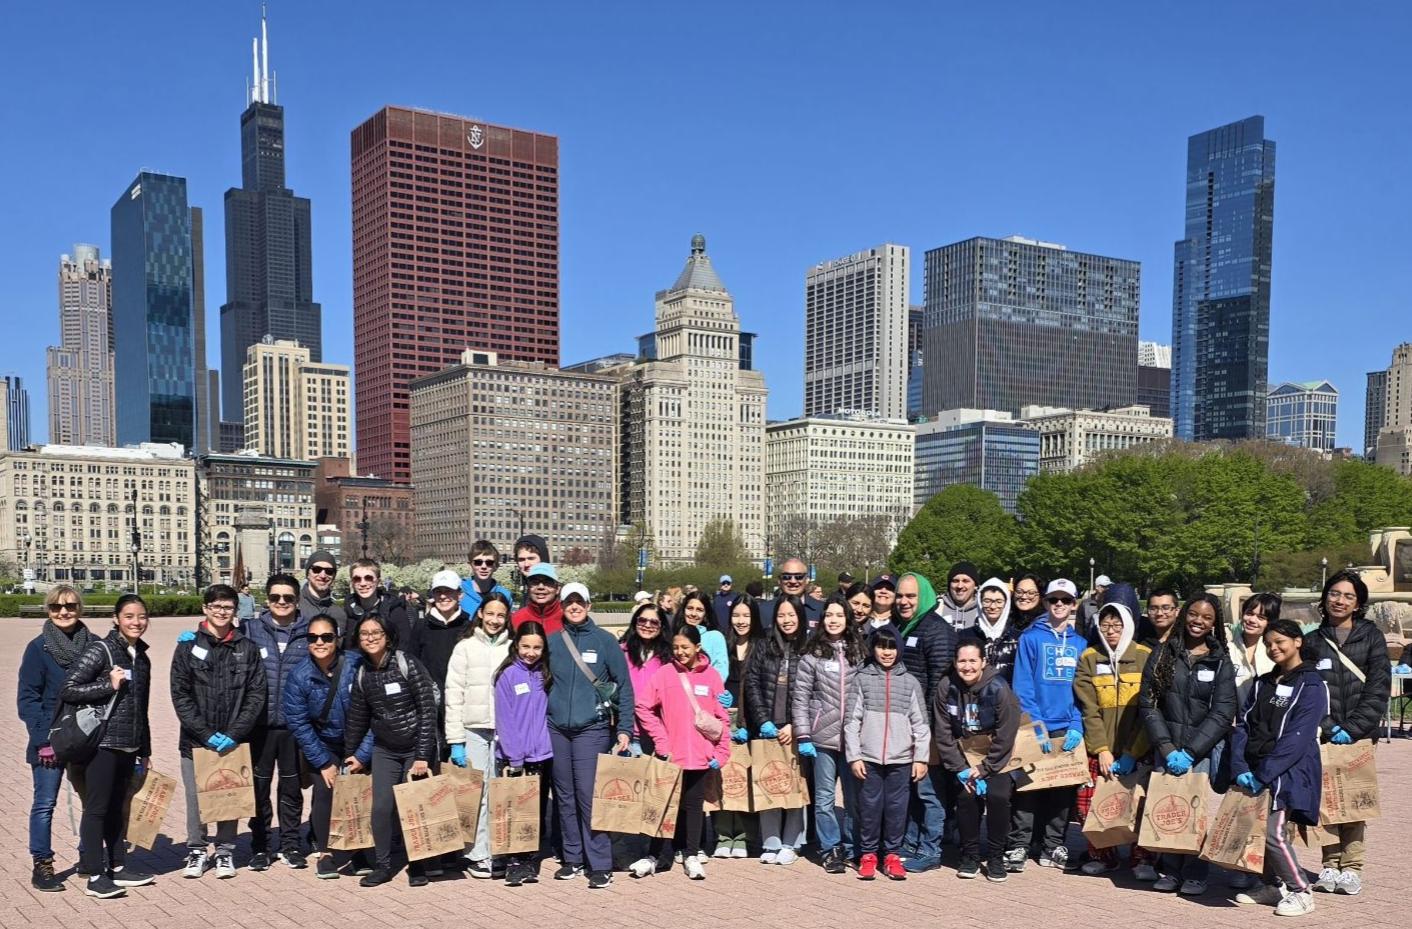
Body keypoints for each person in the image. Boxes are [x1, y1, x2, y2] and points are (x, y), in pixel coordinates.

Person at [1230, 619, 1328, 917]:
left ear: (1298, 641)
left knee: (1274, 833)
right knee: (1256, 830)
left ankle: (1300, 891)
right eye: (1268, 643)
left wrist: (1264, 774)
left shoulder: (1312, 685)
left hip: (1288, 773)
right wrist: (1239, 766)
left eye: (1280, 642)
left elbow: (1297, 739)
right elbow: (1242, 726)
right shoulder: (1263, 683)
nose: (1273, 648)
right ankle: (1270, 885)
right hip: (1256, 767)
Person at [1139, 593, 1237, 893]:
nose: (1199, 622)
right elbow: (1149, 703)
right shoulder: (1164, 653)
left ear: (1215, 623)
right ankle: (1169, 871)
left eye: (1207, 618)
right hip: (1166, 747)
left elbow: (1223, 711)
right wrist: (1166, 748)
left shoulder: (1220, 661)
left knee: (1195, 811)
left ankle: (1196, 873)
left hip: (1200, 751)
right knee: (1168, 807)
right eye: (1194, 614)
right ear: (1185, 615)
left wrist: (1192, 751)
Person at [171, 584, 268, 880]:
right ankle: (197, 849)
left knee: (228, 794)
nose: (221, 612)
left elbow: (256, 694)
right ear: (205, 608)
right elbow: (180, 694)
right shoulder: (187, 646)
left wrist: (236, 733)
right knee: (196, 798)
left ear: (235, 612)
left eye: (227, 608)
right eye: (216, 607)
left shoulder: (246, 648)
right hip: (195, 739)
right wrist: (203, 732)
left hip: (233, 740)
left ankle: (225, 850)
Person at [61, 594, 155, 899]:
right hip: (102, 742)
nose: (136, 622)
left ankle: (117, 865)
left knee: (117, 807)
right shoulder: (100, 650)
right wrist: (107, 685)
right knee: (97, 808)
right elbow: (69, 689)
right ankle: (94, 873)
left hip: (129, 743)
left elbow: (142, 707)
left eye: (141, 616)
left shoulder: (141, 657)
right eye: (129, 616)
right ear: (116, 619)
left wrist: (145, 749)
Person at [1305, 570, 1389, 896]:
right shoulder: (1312, 641)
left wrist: (1352, 728)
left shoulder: (1372, 637)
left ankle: (1352, 867)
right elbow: (1309, 689)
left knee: (1354, 802)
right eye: (1335, 594)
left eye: (1348, 596)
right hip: (1324, 735)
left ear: (1358, 603)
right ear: (1325, 598)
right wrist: (1326, 727)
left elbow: (1378, 688)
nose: (1340, 600)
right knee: (1328, 802)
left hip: (1360, 734)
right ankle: (1329, 863)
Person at [545, 582, 635, 888]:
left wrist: (624, 727)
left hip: (592, 728)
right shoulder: (553, 642)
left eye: (579, 601)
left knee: (588, 796)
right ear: (562, 605)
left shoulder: (605, 641)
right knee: (564, 796)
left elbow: (624, 686)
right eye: (568, 601)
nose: (574, 606)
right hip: (557, 728)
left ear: (588, 605)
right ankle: (573, 858)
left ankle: (599, 862)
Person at [343, 612, 441, 887]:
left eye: (377, 633)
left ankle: (418, 864)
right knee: (382, 807)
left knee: (414, 807)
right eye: (365, 634)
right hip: (385, 748)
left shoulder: (407, 663)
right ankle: (384, 865)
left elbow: (427, 709)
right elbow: (358, 716)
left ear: (388, 637)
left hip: (414, 748)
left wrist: (422, 756)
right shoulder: (363, 672)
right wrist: (351, 753)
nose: (371, 638)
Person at [631, 624, 733, 880]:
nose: (680, 652)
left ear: (698, 647)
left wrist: (721, 753)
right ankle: (651, 856)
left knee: (694, 806)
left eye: (685, 647)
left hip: (700, 756)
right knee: (662, 806)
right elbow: (643, 707)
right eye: (675, 647)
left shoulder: (711, 677)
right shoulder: (665, 674)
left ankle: (691, 854)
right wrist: (660, 739)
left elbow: (722, 720)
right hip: (671, 756)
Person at [284, 614, 373, 879]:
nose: (319, 642)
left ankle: (359, 850)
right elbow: (298, 723)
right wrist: (323, 762)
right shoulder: (300, 675)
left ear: (337, 638)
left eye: (326, 637)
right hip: (323, 743)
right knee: (324, 792)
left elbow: (377, 711)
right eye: (313, 638)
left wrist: (362, 754)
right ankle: (325, 853)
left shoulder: (357, 664)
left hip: (358, 742)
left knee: (360, 794)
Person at [1006, 578, 1085, 872]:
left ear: (1074, 604)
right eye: (1054, 600)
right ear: (1046, 603)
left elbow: (1082, 690)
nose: (1060, 605)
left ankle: (1053, 845)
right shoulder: (1031, 638)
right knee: (1028, 788)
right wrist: (1036, 724)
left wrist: (1077, 724)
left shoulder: (1081, 644)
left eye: (1066, 600)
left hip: (1067, 727)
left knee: (1062, 791)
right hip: (1036, 725)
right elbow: (1023, 685)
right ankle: (1019, 845)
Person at [17, 585, 92, 891]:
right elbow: (28, 699)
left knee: (93, 802)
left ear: (79, 608)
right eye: (56, 607)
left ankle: (90, 857)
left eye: (71, 606)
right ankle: (42, 863)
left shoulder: (95, 645)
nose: (64, 612)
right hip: (49, 737)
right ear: (48, 610)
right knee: (45, 803)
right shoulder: (38, 648)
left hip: (85, 736)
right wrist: (41, 740)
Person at [846, 628, 931, 882]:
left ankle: (892, 855)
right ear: (873, 649)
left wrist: (920, 757)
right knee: (870, 807)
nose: (886, 652)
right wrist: (854, 756)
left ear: (899, 650)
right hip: (868, 758)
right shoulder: (862, 679)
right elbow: (852, 721)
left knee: (896, 808)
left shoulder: (910, 682)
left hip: (901, 759)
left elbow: (921, 724)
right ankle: (869, 854)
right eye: (881, 646)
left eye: (892, 647)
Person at [1073, 602, 1152, 875]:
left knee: (1138, 804)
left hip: (1136, 749)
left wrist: (1133, 751)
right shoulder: (1089, 658)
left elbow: (1149, 711)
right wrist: (1102, 749)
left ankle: (1141, 858)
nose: (1111, 631)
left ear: (1128, 626)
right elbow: (1089, 708)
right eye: (1105, 625)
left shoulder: (1145, 656)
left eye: (1117, 625)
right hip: (1102, 748)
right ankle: (1102, 854)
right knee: (1089, 804)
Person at [933, 640, 1020, 883]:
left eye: (973, 661)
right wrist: (960, 768)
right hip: (962, 756)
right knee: (966, 797)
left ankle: (995, 856)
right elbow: (943, 732)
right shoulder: (945, 687)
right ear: (954, 663)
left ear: (983, 662)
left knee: (998, 797)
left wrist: (985, 768)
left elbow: (1007, 734)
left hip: (995, 758)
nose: (967, 666)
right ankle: (969, 855)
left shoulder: (1000, 689)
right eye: (962, 661)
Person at [792, 595, 867, 873]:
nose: (833, 620)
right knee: (824, 797)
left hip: (852, 739)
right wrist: (804, 735)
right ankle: (830, 848)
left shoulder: (858, 652)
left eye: (839, 615)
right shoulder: (812, 655)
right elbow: (800, 698)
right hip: (822, 738)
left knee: (852, 798)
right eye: (829, 615)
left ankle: (851, 846)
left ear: (848, 619)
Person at [244, 572, 312, 870]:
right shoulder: (251, 629)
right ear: (267, 600)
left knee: (291, 788)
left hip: (294, 725)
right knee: (258, 788)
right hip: (259, 724)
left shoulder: (310, 632)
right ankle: (260, 845)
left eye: (288, 598)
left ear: (297, 600)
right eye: (275, 597)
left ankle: (290, 844)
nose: (281, 602)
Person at [443, 591, 514, 878]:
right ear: (481, 614)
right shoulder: (465, 647)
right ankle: (478, 853)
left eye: (501, 615)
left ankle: (500, 850)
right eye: (491, 613)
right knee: (478, 792)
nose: (495, 620)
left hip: (504, 730)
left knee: (500, 791)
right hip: (473, 729)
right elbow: (454, 694)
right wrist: (455, 740)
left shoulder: (513, 647)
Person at [893, 572, 957, 873]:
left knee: (930, 792)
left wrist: (929, 734)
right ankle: (911, 841)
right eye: (901, 595)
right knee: (912, 788)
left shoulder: (937, 630)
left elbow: (940, 686)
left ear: (925, 598)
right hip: (903, 726)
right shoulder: (902, 626)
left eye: (911, 596)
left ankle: (931, 849)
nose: (904, 601)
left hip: (927, 728)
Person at [746, 595, 809, 863]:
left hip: (796, 727)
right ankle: (770, 842)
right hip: (769, 726)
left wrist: (797, 726)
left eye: (791, 615)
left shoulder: (809, 646)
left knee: (795, 784)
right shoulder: (764, 645)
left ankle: (792, 843)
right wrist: (763, 720)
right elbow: (752, 682)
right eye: (782, 615)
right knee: (769, 781)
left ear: (800, 616)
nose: (787, 621)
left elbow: (814, 690)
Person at [493, 620, 555, 887]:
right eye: (526, 646)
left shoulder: (545, 674)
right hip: (514, 756)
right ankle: (513, 860)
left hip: (541, 755)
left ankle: (530, 858)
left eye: (537, 647)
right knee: (514, 809)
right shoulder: (507, 675)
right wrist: (514, 756)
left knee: (536, 810)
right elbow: (504, 719)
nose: (531, 652)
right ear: (516, 645)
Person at [718, 595, 761, 858]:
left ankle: (744, 836)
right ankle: (724, 835)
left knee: (746, 779)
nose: (741, 621)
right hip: (725, 717)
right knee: (725, 777)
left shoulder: (762, 645)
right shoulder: (722, 643)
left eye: (746, 616)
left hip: (752, 720)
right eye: (736, 615)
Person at [622, 604, 671, 756]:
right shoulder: (621, 652)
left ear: (661, 626)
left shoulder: (669, 658)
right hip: (626, 735)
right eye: (642, 620)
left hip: (657, 737)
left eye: (654, 622)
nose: (647, 625)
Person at [963, 577, 1021, 683]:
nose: (993, 606)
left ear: (1006, 603)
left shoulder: (1018, 638)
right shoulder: (964, 636)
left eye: (999, 601)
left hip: (1008, 696)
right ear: (980, 603)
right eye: (987, 601)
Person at [344, 559, 411, 650]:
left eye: (368, 578)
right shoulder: (347, 612)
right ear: (352, 583)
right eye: (357, 579)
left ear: (378, 582)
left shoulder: (395, 612)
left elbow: (404, 647)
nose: (363, 583)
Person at [677, 591, 729, 683]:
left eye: (699, 610)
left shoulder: (715, 637)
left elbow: (721, 672)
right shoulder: (675, 635)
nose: (693, 614)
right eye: (690, 608)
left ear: (705, 614)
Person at [759, 558, 824, 628]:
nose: (793, 581)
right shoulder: (764, 610)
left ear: (807, 580)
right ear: (779, 580)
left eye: (798, 577)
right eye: (786, 577)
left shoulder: (821, 609)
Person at [299, 550, 347, 638]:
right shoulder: (294, 606)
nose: (323, 575)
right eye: (316, 569)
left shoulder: (339, 614)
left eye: (329, 571)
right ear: (307, 574)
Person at [461, 540, 515, 616]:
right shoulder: (459, 591)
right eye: (478, 562)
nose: (483, 566)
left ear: (496, 566)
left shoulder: (505, 595)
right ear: (471, 565)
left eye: (489, 563)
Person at [513, 564, 564, 635]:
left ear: (558, 589)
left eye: (548, 582)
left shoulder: (567, 617)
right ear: (528, 588)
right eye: (534, 582)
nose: (541, 587)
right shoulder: (516, 619)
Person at [937, 562, 980, 632]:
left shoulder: (983, 610)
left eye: (965, 581)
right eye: (955, 581)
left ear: (975, 585)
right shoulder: (936, 608)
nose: (960, 586)